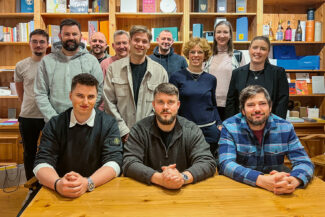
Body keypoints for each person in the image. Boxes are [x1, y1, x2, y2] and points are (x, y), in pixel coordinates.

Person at [33, 73, 123, 198]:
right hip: (61, 190)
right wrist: (58, 184)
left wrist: (88, 183)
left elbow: (114, 162)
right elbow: (42, 162)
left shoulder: (109, 123)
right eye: (80, 96)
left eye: (91, 97)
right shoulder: (55, 124)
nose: (85, 102)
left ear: (97, 97)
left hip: (97, 188)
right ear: (70, 96)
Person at [219, 85, 314, 195]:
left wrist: (294, 180)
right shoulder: (230, 126)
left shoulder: (285, 127)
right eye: (250, 105)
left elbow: (304, 161)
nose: (257, 109)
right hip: (243, 188)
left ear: (270, 107)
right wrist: (260, 180)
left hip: (278, 189)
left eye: (262, 104)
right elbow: (225, 163)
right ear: (243, 111)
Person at [123, 83, 216, 189]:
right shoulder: (139, 129)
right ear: (153, 105)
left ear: (178, 105)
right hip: (148, 191)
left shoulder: (191, 129)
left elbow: (207, 161)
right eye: (160, 102)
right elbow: (129, 162)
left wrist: (182, 177)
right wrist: (159, 178)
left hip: (184, 192)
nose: (165, 107)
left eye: (170, 102)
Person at [103, 25, 168, 143]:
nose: (140, 44)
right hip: (119, 136)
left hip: (149, 135)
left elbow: (162, 104)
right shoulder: (114, 69)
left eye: (144, 41)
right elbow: (109, 102)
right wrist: (124, 131)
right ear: (129, 42)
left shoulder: (160, 71)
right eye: (136, 40)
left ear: (149, 45)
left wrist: (145, 129)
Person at [34, 18, 103, 122]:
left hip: (84, 122)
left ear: (80, 36)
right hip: (54, 123)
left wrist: (83, 116)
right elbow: (40, 93)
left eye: (74, 34)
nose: (71, 37)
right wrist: (54, 119)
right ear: (60, 36)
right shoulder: (47, 61)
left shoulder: (92, 61)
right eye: (67, 34)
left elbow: (99, 91)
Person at [169, 37, 222, 158]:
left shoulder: (211, 79)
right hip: (186, 130)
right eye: (192, 52)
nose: (196, 55)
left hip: (210, 130)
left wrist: (219, 123)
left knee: (209, 165)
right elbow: (173, 105)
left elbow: (213, 104)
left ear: (205, 55)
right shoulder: (176, 77)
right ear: (187, 54)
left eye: (200, 52)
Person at [225, 36, 289, 120]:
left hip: (270, 125)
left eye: (263, 49)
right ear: (249, 49)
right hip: (241, 125)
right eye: (255, 47)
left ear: (268, 52)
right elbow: (231, 102)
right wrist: (232, 124)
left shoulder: (278, 73)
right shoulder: (237, 73)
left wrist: (276, 125)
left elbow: (282, 103)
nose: (258, 51)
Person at [14, 29, 49, 181]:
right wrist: (29, 104)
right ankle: (31, 184)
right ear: (30, 44)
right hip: (28, 116)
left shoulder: (53, 64)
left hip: (48, 116)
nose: (38, 45)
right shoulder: (21, 66)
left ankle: (48, 182)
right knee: (29, 153)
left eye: (42, 42)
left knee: (50, 152)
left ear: (47, 44)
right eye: (34, 41)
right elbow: (20, 92)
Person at [203, 21, 245, 121]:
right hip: (210, 104)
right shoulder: (207, 55)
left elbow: (243, 82)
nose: (222, 35)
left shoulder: (238, 55)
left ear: (230, 35)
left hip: (232, 105)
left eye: (225, 32)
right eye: (218, 32)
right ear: (214, 35)